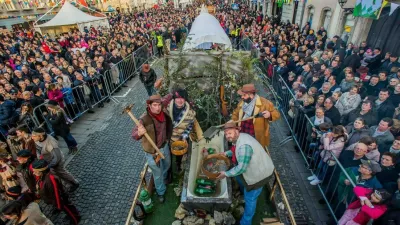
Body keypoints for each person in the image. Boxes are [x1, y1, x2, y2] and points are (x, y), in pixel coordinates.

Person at [216, 122, 275, 225]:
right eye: (226, 134)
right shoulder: (240, 137)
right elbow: (235, 150)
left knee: (251, 199)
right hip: (256, 167)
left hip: (259, 176)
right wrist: (226, 153)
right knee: (239, 178)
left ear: (236, 130)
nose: (227, 136)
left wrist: (225, 174)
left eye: (229, 133)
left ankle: (246, 222)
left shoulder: (244, 146)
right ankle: (243, 193)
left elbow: (241, 168)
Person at [132, 94, 172, 203]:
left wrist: (175, 92)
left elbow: (167, 98)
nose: (157, 107)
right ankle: (161, 192)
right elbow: (134, 134)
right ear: (149, 105)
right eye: (155, 105)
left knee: (167, 164)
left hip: (164, 146)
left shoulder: (163, 111)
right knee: (157, 173)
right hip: (152, 152)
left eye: (159, 105)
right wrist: (139, 133)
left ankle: (164, 179)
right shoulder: (143, 119)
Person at [32, 160, 80, 225]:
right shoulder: (43, 176)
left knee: (68, 209)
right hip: (56, 200)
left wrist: (59, 204)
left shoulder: (50, 178)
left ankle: (75, 219)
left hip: (60, 200)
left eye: (35, 171)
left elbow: (56, 192)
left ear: (41, 171)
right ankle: (73, 215)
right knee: (68, 209)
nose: (33, 173)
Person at [31, 128, 79, 192]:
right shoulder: (37, 139)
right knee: (56, 174)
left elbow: (57, 157)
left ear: (40, 136)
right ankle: (65, 185)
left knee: (61, 172)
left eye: (34, 136)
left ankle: (74, 183)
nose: (32, 138)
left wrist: (49, 166)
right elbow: (38, 149)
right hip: (47, 160)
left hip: (56, 160)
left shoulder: (51, 142)